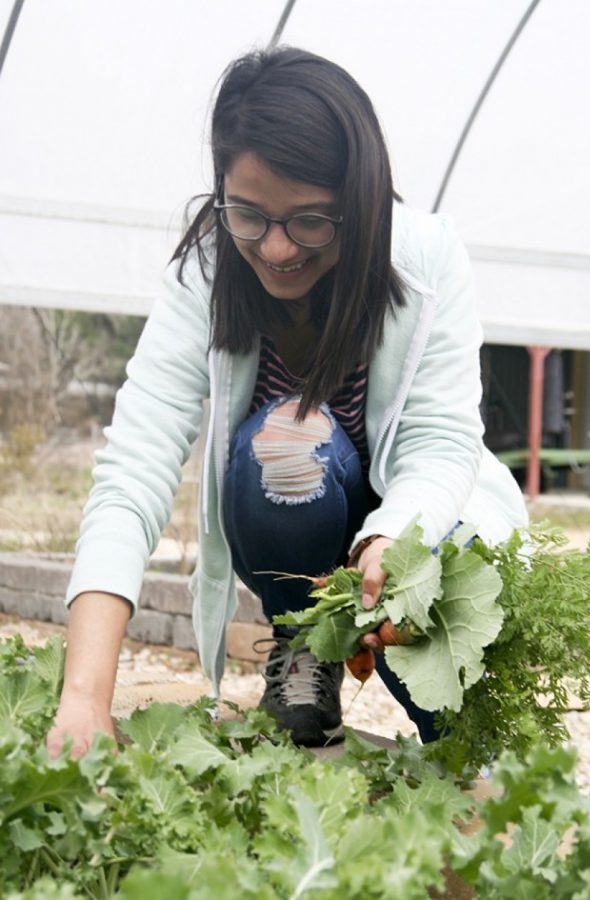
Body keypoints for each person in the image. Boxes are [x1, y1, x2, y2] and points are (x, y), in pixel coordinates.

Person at [47, 46, 527, 757]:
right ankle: (304, 645)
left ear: (359, 200)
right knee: (286, 438)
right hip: (293, 509)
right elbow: (136, 467)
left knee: (470, 750)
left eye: (309, 221)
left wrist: (391, 542)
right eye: (248, 214)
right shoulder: (206, 274)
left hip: (421, 521)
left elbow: (439, 440)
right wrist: (84, 697)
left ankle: (469, 747)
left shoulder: (426, 259)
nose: (274, 249)